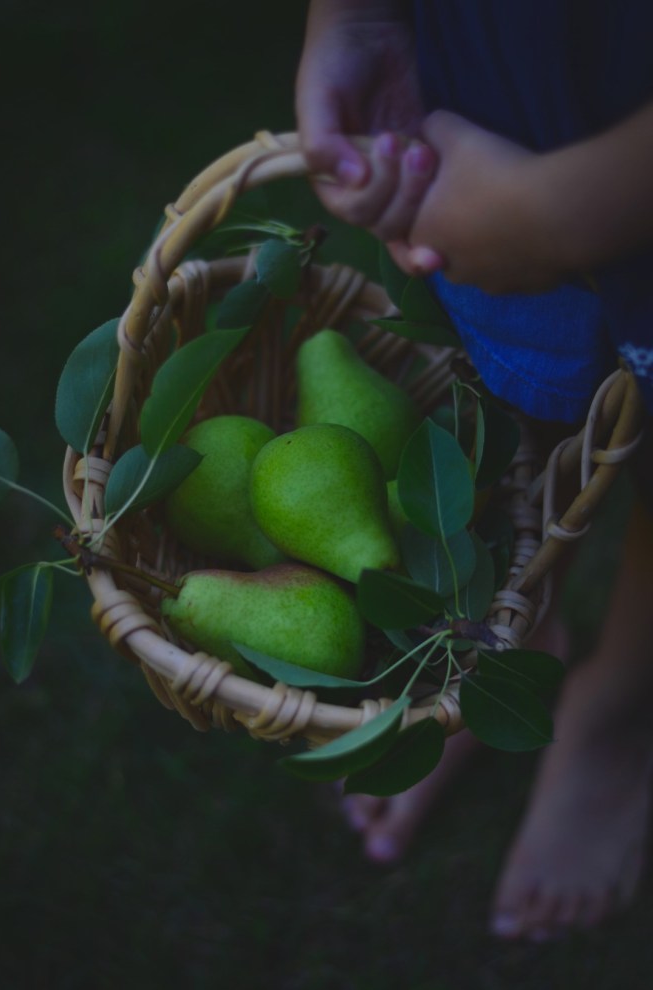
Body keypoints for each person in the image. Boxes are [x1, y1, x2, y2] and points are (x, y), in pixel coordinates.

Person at [295, 0, 653, 941]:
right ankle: (517, 629)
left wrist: (570, 210)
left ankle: (618, 708)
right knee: (528, 367)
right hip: (513, 64)